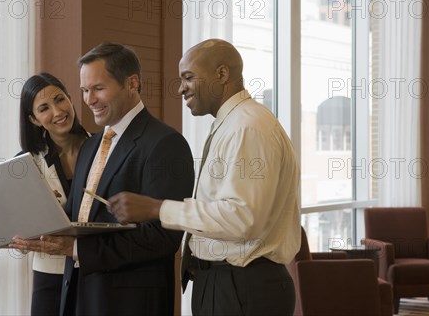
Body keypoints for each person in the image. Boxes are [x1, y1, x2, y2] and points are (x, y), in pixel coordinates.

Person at [108, 38, 301, 315]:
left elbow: (241, 218)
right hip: (226, 283)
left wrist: (156, 208)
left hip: (242, 285)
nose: (180, 88)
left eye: (188, 77)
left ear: (222, 74)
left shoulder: (247, 127)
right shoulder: (232, 124)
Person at [11, 43, 195, 316]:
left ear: (132, 83)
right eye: (84, 91)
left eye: (98, 89)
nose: (89, 100)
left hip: (129, 303)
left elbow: (163, 237)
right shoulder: (91, 146)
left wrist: (77, 249)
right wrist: (29, 227)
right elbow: (76, 218)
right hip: (79, 296)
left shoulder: (165, 143)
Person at [18, 73, 89, 315]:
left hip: (95, 270)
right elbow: (17, 228)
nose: (58, 111)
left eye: (60, 99)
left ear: (70, 99)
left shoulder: (103, 148)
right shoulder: (25, 164)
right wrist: (21, 241)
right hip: (50, 276)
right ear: (34, 119)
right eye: (44, 108)